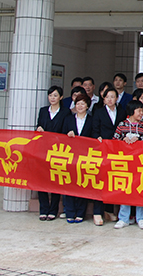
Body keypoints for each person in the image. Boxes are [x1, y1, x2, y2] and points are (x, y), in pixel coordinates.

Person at [113, 100, 143, 230]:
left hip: (140, 164)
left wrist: (139, 140)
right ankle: (123, 218)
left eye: (142, 110)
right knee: (126, 190)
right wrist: (122, 140)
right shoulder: (122, 125)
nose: (141, 113)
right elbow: (113, 142)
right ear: (131, 111)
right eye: (139, 110)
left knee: (140, 189)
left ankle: (141, 218)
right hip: (125, 164)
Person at [91, 87, 125, 225]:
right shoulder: (98, 112)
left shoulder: (122, 112)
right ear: (103, 99)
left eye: (112, 96)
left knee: (112, 180)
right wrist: (97, 138)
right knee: (100, 181)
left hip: (117, 150)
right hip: (102, 150)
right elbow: (94, 130)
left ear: (117, 98)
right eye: (107, 97)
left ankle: (109, 210)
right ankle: (97, 212)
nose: (110, 99)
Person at [35, 85, 70, 221]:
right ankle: (43, 209)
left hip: (57, 150)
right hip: (43, 150)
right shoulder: (43, 111)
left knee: (55, 179)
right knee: (41, 179)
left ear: (61, 97)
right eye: (50, 95)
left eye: (55, 95)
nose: (52, 98)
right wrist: (38, 129)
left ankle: (53, 210)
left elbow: (65, 130)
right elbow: (39, 125)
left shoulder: (65, 112)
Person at [63, 92, 94, 223]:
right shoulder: (68, 119)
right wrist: (67, 135)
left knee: (83, 183)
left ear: (87, 106)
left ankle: (80, 212)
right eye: (78, 104)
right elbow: (60, 136)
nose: (80, 106)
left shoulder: (92, 120)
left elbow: (94, 137)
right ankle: (69, 212)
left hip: (85, 157)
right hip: (70, 156)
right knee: (69, 183)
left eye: (83, 104)